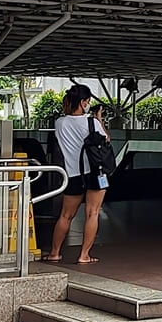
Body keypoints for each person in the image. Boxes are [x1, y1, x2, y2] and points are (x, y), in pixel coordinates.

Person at [45, 84, 109, 265]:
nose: (88, 104)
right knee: (92, 213)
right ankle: (84, 255)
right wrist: (98, 119)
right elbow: (106, 139)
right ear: (82, 102)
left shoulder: (60, 123)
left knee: (65, 215)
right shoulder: (92, 122)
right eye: (87, 101)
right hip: (95, 173)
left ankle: (55, 253)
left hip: (73, 174)